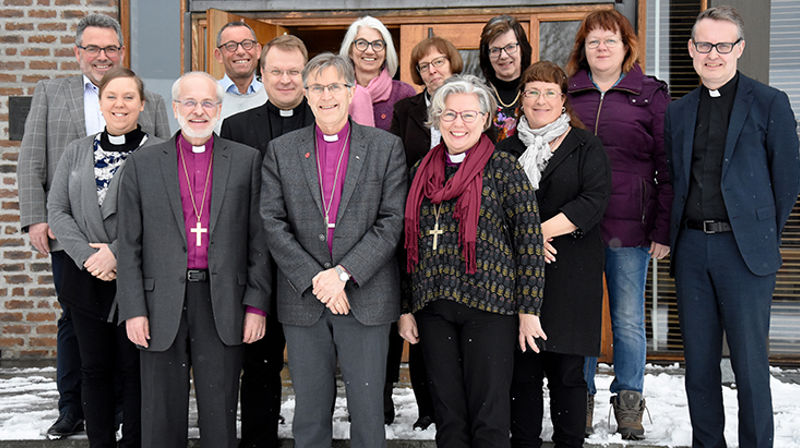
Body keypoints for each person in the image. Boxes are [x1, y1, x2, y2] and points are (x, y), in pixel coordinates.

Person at [15, 13, 170, 440]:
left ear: (121, 52)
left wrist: (119, 250)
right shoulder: (51, 93)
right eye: (93, 48)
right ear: (78, 52)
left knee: (131, 345)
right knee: (78, 333)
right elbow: (30, 160)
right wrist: (37, 220)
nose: (102, 55)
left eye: (110, 49)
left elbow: (163, 187)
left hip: (133, 251)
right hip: (72, 242)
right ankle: (72, 408)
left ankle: (129, 417)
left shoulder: (152, 104)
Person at [666, 6, 800, 447]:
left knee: (749, 366)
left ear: (739, 48)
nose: (713, 54)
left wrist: (758, 233)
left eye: (724, 45)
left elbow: (786, 181)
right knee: (699, 367)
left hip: (744, 253)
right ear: (691, 50)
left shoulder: (769, 102)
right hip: (691, 252)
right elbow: (672, 177)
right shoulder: (678, 112)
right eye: (704, 45)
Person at [260, 53, 407, 448]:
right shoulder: (281, 150)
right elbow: (272, 222)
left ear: (351, 91)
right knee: (308, 412)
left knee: (367, 411)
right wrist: (316, 278)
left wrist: (341, 274)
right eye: (318, 88)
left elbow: (392, 220)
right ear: (306, 95)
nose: (327, 96)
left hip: (365, 295)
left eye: (335, 86)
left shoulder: (385, 147)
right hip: (303, 299)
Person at [116, 71, 270, 448]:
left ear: (219, 109)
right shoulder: (143, 164)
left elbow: (259, 241)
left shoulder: (247, 161)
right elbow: (128, 244)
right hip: (159, 302)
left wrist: (257, 306)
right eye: (190, 102)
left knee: (220, 413)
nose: (198, 111)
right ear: (174, 108)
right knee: (161, 415)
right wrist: (133, 308)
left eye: (207, 103)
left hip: (223, 301)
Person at [398, 74, 545, 447]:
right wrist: (405, 308)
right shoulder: (419, 173)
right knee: (449, 416)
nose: (458, 123)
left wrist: (528, 309)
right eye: (448, 115)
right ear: (436, 119)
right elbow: (403, 246)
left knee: (490, 418)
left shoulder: (505, 169)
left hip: (490, 309)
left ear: (484, 119)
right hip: (433, 309)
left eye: (468, 115)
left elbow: (528, 241)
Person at [565, 9, 672, 439]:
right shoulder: (568, 92)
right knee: (582, 317)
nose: (602, 48)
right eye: (593, 42)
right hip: (577, 227)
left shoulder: (650, 94)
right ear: (583, 50)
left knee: (627, 320)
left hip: (631, 228)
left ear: (626, 46)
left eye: (610, 39)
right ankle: (581, 399)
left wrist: (663, 228)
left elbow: (668, 165)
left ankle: (629, 402)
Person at [499, 61, 611, 448]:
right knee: (523, 374)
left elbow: (593, 201)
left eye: (550, 92)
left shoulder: (586, 145)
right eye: (532, 91)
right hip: (518, 278)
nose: (541, 99)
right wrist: (525, 240)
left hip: (572, 273)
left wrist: (536, 232)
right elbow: (493, 210)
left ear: (563, 99)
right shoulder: (505, 151)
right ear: (521, 100)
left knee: (568, 374)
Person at [46, 67, 159, 448]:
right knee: (93, 368)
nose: (120, 104)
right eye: (111, 96)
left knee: (133, 368)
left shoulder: (159, 151)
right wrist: (87, 257)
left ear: (142, 104)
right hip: (85, 277)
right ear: (100, 102)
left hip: (137, 279)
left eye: (129, 97)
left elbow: (163, 216)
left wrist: (116, 253)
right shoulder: (76, 150)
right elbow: (57, 210)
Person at [220, 34, 314, 448]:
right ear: (262, 73)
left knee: (314, 367)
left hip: (313, 268)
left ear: (307, 75)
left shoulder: (326, 121)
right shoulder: (237, 127)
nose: (286, 79)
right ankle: (259, 441)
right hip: (259, 268)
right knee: (258, 366)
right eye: (276, 71)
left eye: (295, 71)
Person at [387, 35, 464, 430]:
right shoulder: (406, 110)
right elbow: (397, 162)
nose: (432, 71)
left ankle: (456, 404)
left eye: (439, 63)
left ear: (453, 64)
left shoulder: (472, 100)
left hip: (465, 218)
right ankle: (427, 407)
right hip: (419, 213)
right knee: (422, 312)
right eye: (424, 67)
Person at [340, 16, 416, 131]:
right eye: (361, 43)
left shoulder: (403, 94)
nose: (369, 51)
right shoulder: (337, 92)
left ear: (386, 52)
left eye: (377, 44)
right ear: (350, 51)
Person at [479, 15, 532, 142]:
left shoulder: (537, 91)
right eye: (495, 50)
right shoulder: (478, 96)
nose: (503, 56)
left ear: (522, 49)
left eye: (510, 47)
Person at [214, 21, 268, 131]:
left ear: (258, 50)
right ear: (218, 55)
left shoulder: (272, 95)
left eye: (247, 44)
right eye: (231, 46)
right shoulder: (207, 98)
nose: (240, 51)